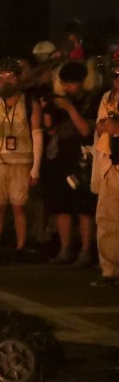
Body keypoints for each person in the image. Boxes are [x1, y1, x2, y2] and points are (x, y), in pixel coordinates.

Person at [0, 57, 44, 263]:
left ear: (18, 79)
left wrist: (36, 169)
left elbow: (37, 134)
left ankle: (20, 248)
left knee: (19, 207)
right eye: (1, 77)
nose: (5, 81)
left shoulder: (30, 103)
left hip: (21, 162)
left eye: (10, 76)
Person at [42, 62, 98, 266]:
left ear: (82, 82)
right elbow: (50, 130)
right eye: (63, 84)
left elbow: (85, 130)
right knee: (61, 206)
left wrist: (70, 108)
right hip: (60, 158)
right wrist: (47, 111)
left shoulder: (91, 100)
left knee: (84, 207)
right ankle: (65, 249)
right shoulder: (61, 101)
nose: (67, 88)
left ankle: (85, 251)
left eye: (71, 84)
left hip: (83, 159)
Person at [91, 55, 119, 286]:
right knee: (106, 218)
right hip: (110, 162)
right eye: (116, 74)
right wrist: (107, 127)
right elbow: (100, 125)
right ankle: (109, 269)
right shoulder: (107, 97)